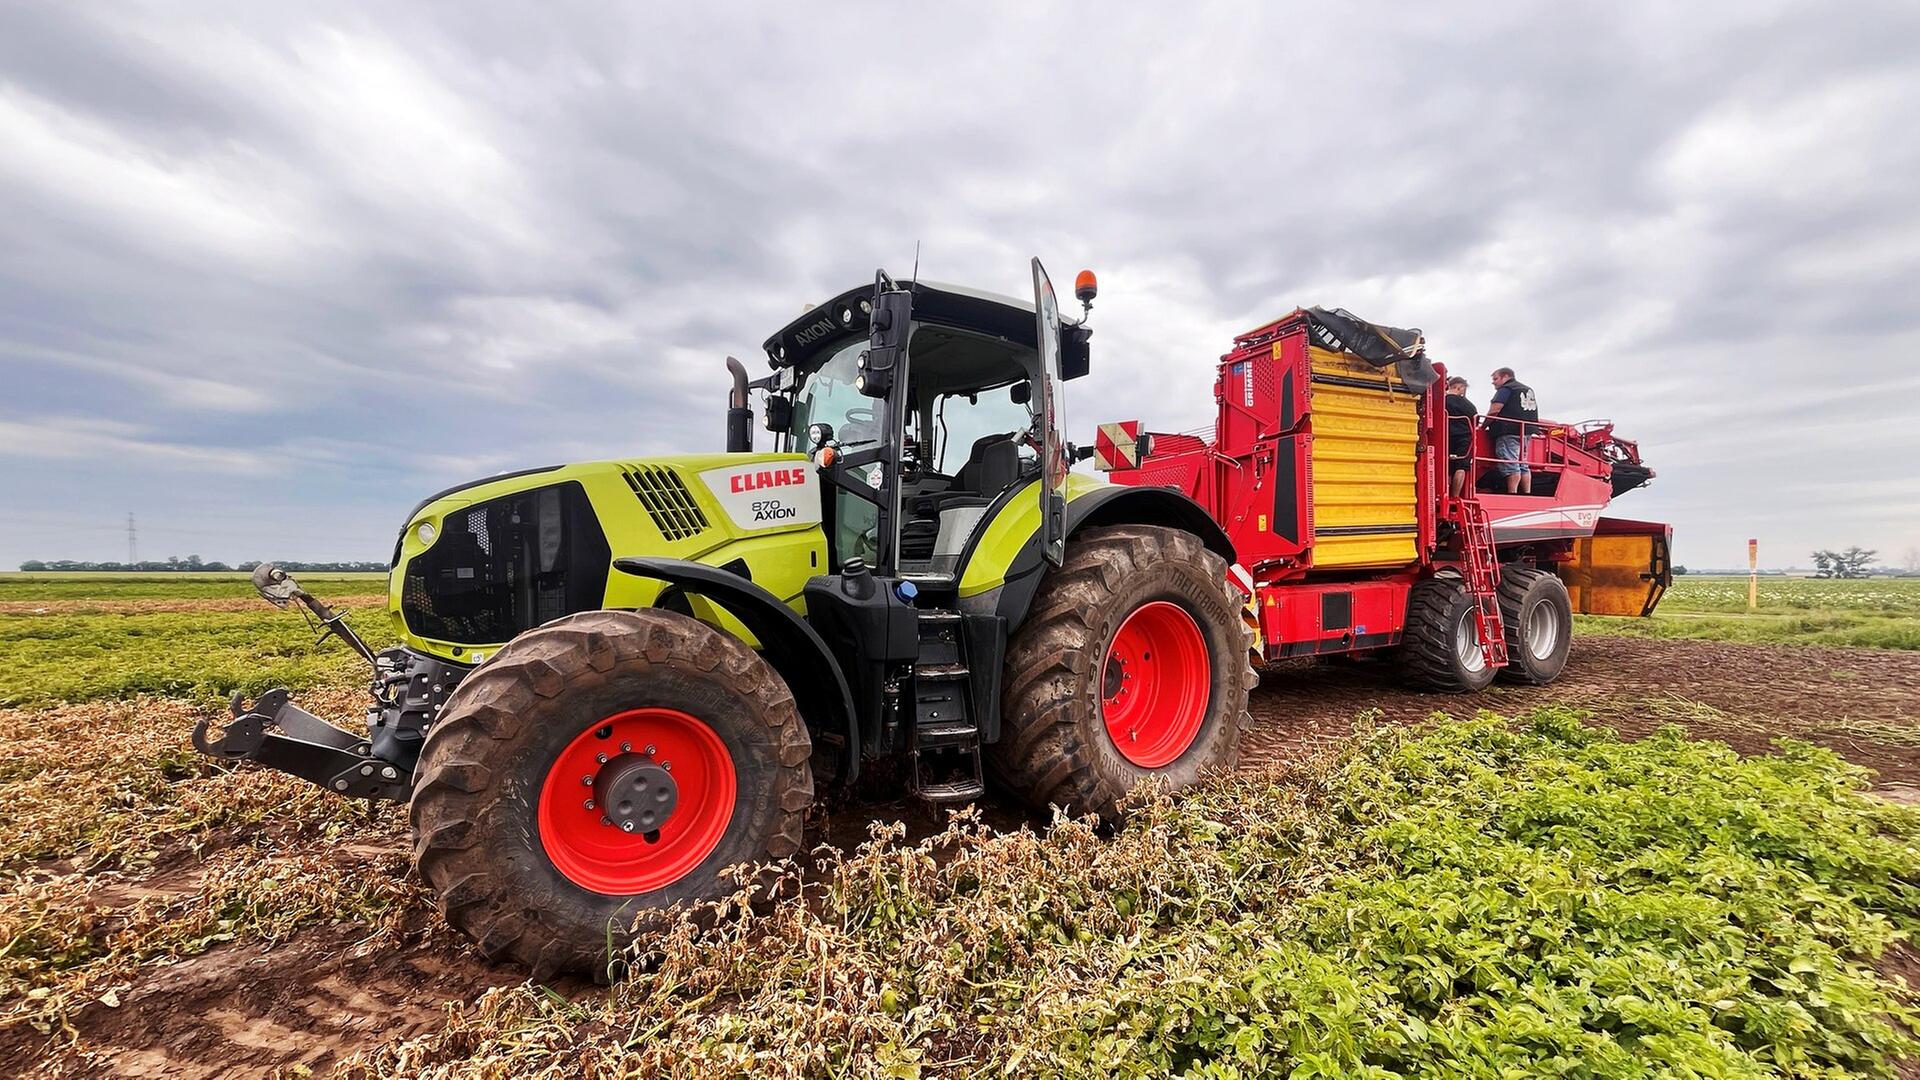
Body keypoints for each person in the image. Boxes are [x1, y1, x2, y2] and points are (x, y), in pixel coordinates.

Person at [1487, 367, 1539, 494]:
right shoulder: (1527, 389)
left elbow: (1495, 409)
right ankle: (1527, 492)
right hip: (1526, 431)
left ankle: (1512, 492)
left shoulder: (1506, 389)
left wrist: (1484, 425)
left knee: (1511, 463)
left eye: (1495, 379)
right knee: (1523, 464)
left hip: (1508, 430)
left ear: (1505, 377)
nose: (1493, 382)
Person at [1444, 376, 1477, 497]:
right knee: (1461, 466)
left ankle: (1444, 494)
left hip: (1444, 437)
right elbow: (1475, 422)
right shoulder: (1469, 406)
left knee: (1445, 466)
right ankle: (1455, 496)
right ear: (1459, 387)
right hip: (1464, 439)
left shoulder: (1440, 402)